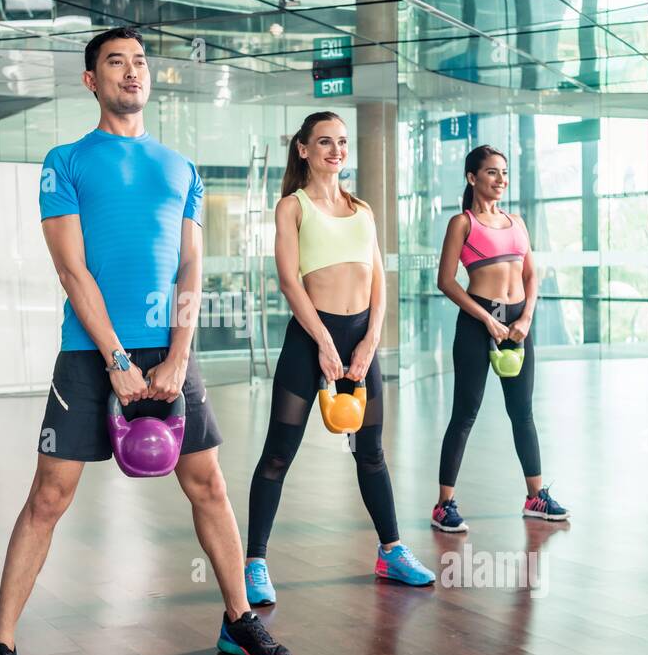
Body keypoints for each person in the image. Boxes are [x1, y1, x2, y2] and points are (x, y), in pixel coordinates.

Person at [0, 27, 291, 655]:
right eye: (116, 62)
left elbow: (191, 265)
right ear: (92, 80)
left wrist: (177, 353)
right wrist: (116, 356)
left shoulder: (181, 167)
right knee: (49, 497)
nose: (132, 71)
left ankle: (239, 620)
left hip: (169, 349)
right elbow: (71, 267)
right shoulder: (65, 161)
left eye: (140, 62)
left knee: (208, 485)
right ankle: (3, 647)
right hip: (91, 351)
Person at [243, 112, 436, 606]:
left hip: (360, 342)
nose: (336, 150)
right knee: (278, 455)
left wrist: (371, 341)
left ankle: (391, 552)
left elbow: (378, 280)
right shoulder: (292, 207)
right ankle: (255, 563)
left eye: (343, 142)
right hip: (311, 340)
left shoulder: (363, 209)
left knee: (370, 451)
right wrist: (326, 345)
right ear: (303, 149)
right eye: (325, 142)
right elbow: (289, 281)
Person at [431, 144, 570, 533]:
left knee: (522, 412)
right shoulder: (462, 224)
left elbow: (531, 276)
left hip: (517, 324)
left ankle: (535, 496)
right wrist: (485, 319)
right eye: (491, 172)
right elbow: (445, 281)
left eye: (503, 172)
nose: (500, 179)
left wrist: (526, 317)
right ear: (472, 177)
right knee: (465, 413)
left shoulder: (518, 221)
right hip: (479, 321)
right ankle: (444, 504)